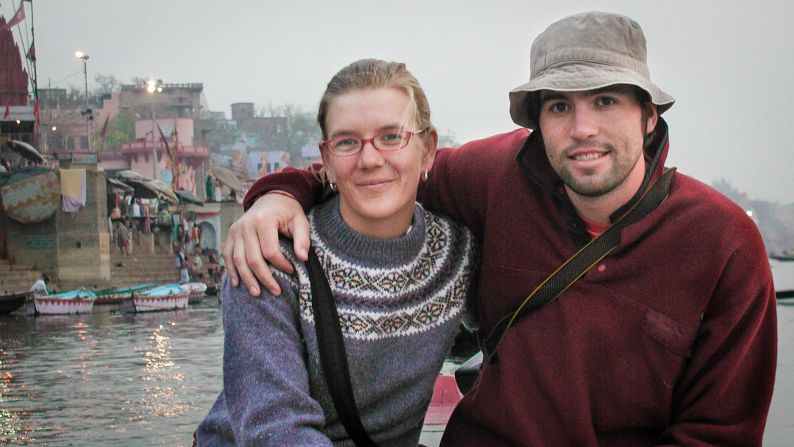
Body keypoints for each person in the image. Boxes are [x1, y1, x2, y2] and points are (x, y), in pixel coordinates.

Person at [221, 11, 777, 446]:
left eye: (605, 101)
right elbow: (376, 174)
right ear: (538, 121)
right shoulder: (494, 178)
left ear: (649, 115)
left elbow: (718, 434)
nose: (582, 129)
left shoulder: (724, 245)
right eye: (559, 106)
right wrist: (276, 195)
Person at [196, 59, 478, 446]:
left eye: (391, 137)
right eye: (347, 142)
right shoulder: (269, 259)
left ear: (427, 149)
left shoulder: (458, 254)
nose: (370, 159)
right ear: (326, 160)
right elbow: (275, 429)